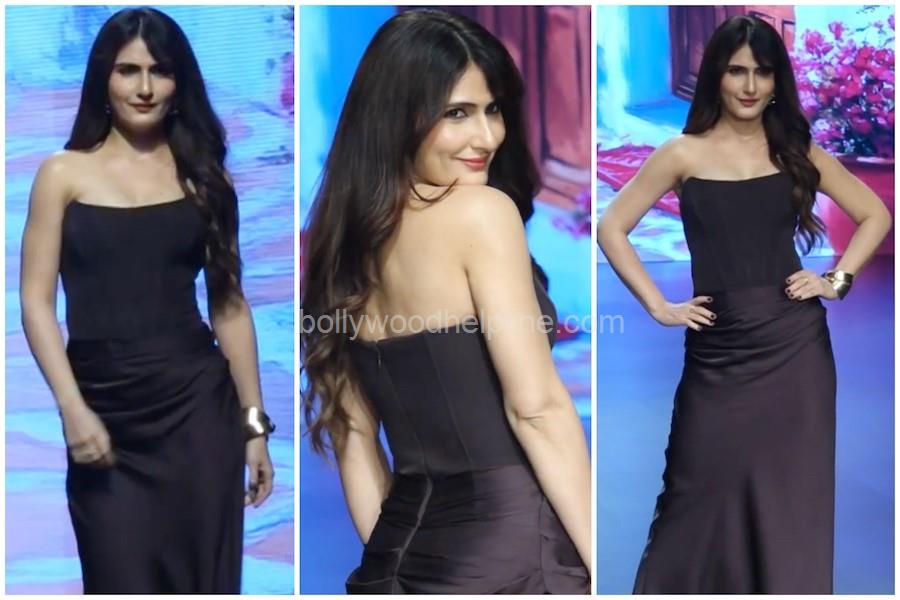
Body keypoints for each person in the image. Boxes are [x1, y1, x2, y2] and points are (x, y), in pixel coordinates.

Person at [597, 15, 891, 594]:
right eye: (737, 71)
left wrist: (835, 280)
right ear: (717, 77)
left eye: (762, 72)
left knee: (789, 501)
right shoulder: (681, 153)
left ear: (778, 80)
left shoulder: (796, 150)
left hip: (794, 349)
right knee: (692, 493)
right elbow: (612, 226)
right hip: (718, 349)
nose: (750, 85)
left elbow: (875, 214)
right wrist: (658, 305)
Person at [301, 9, 591, 594]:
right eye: (457, 113)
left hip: (399, 555)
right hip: (514, 552)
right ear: (397, 116)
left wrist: (395, 566)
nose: (487, 137)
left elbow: (354, 441)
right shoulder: (480, 215)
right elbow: (537, 411)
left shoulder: (339, 245)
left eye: (493, 110)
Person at [19, 8, 276, 594]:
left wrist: (253, 426)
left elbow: (230, 308)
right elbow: (35, 303)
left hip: (196, 413)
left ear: (179, 82)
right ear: (103, 79)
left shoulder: (206, 180)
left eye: (160, 71)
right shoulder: (62, 175)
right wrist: (72, 409)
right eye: (127, 70)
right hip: (103, 410)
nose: (144, 87)